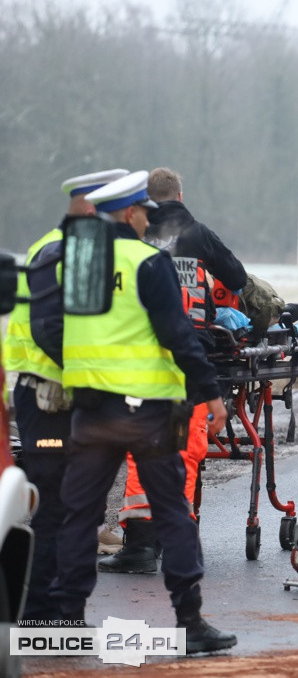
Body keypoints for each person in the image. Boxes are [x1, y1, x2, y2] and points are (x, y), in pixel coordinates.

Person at [53, 170, 237, 653]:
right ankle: (190, 623)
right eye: (143, 214)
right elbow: (178, 336)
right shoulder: (147, 262)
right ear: (130, 213)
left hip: (90, 412)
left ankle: (68, 622)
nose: (147, 221)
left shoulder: (78, 262)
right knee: (173, 512)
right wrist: (211, 393)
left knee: (79, 516)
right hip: (148, 415)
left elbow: (51, 327)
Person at [98, 166, 247, 574]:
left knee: (139, 447)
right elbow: (237, 277)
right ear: (180, 196)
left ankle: (142, 546)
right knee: (185, 448)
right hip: (189, 352)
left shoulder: (130, 240)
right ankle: (177, 542)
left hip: (139, 354)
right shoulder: (198, 233)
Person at [2, 168, 128, 621]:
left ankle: (56, 609)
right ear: (94, 209)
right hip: (51, 400)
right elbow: (51, 330)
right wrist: (94, 379)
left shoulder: (66, 248)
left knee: (74, 507)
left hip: (59, 398)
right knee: (57, 506)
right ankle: (41, 612)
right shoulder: (58, 252)